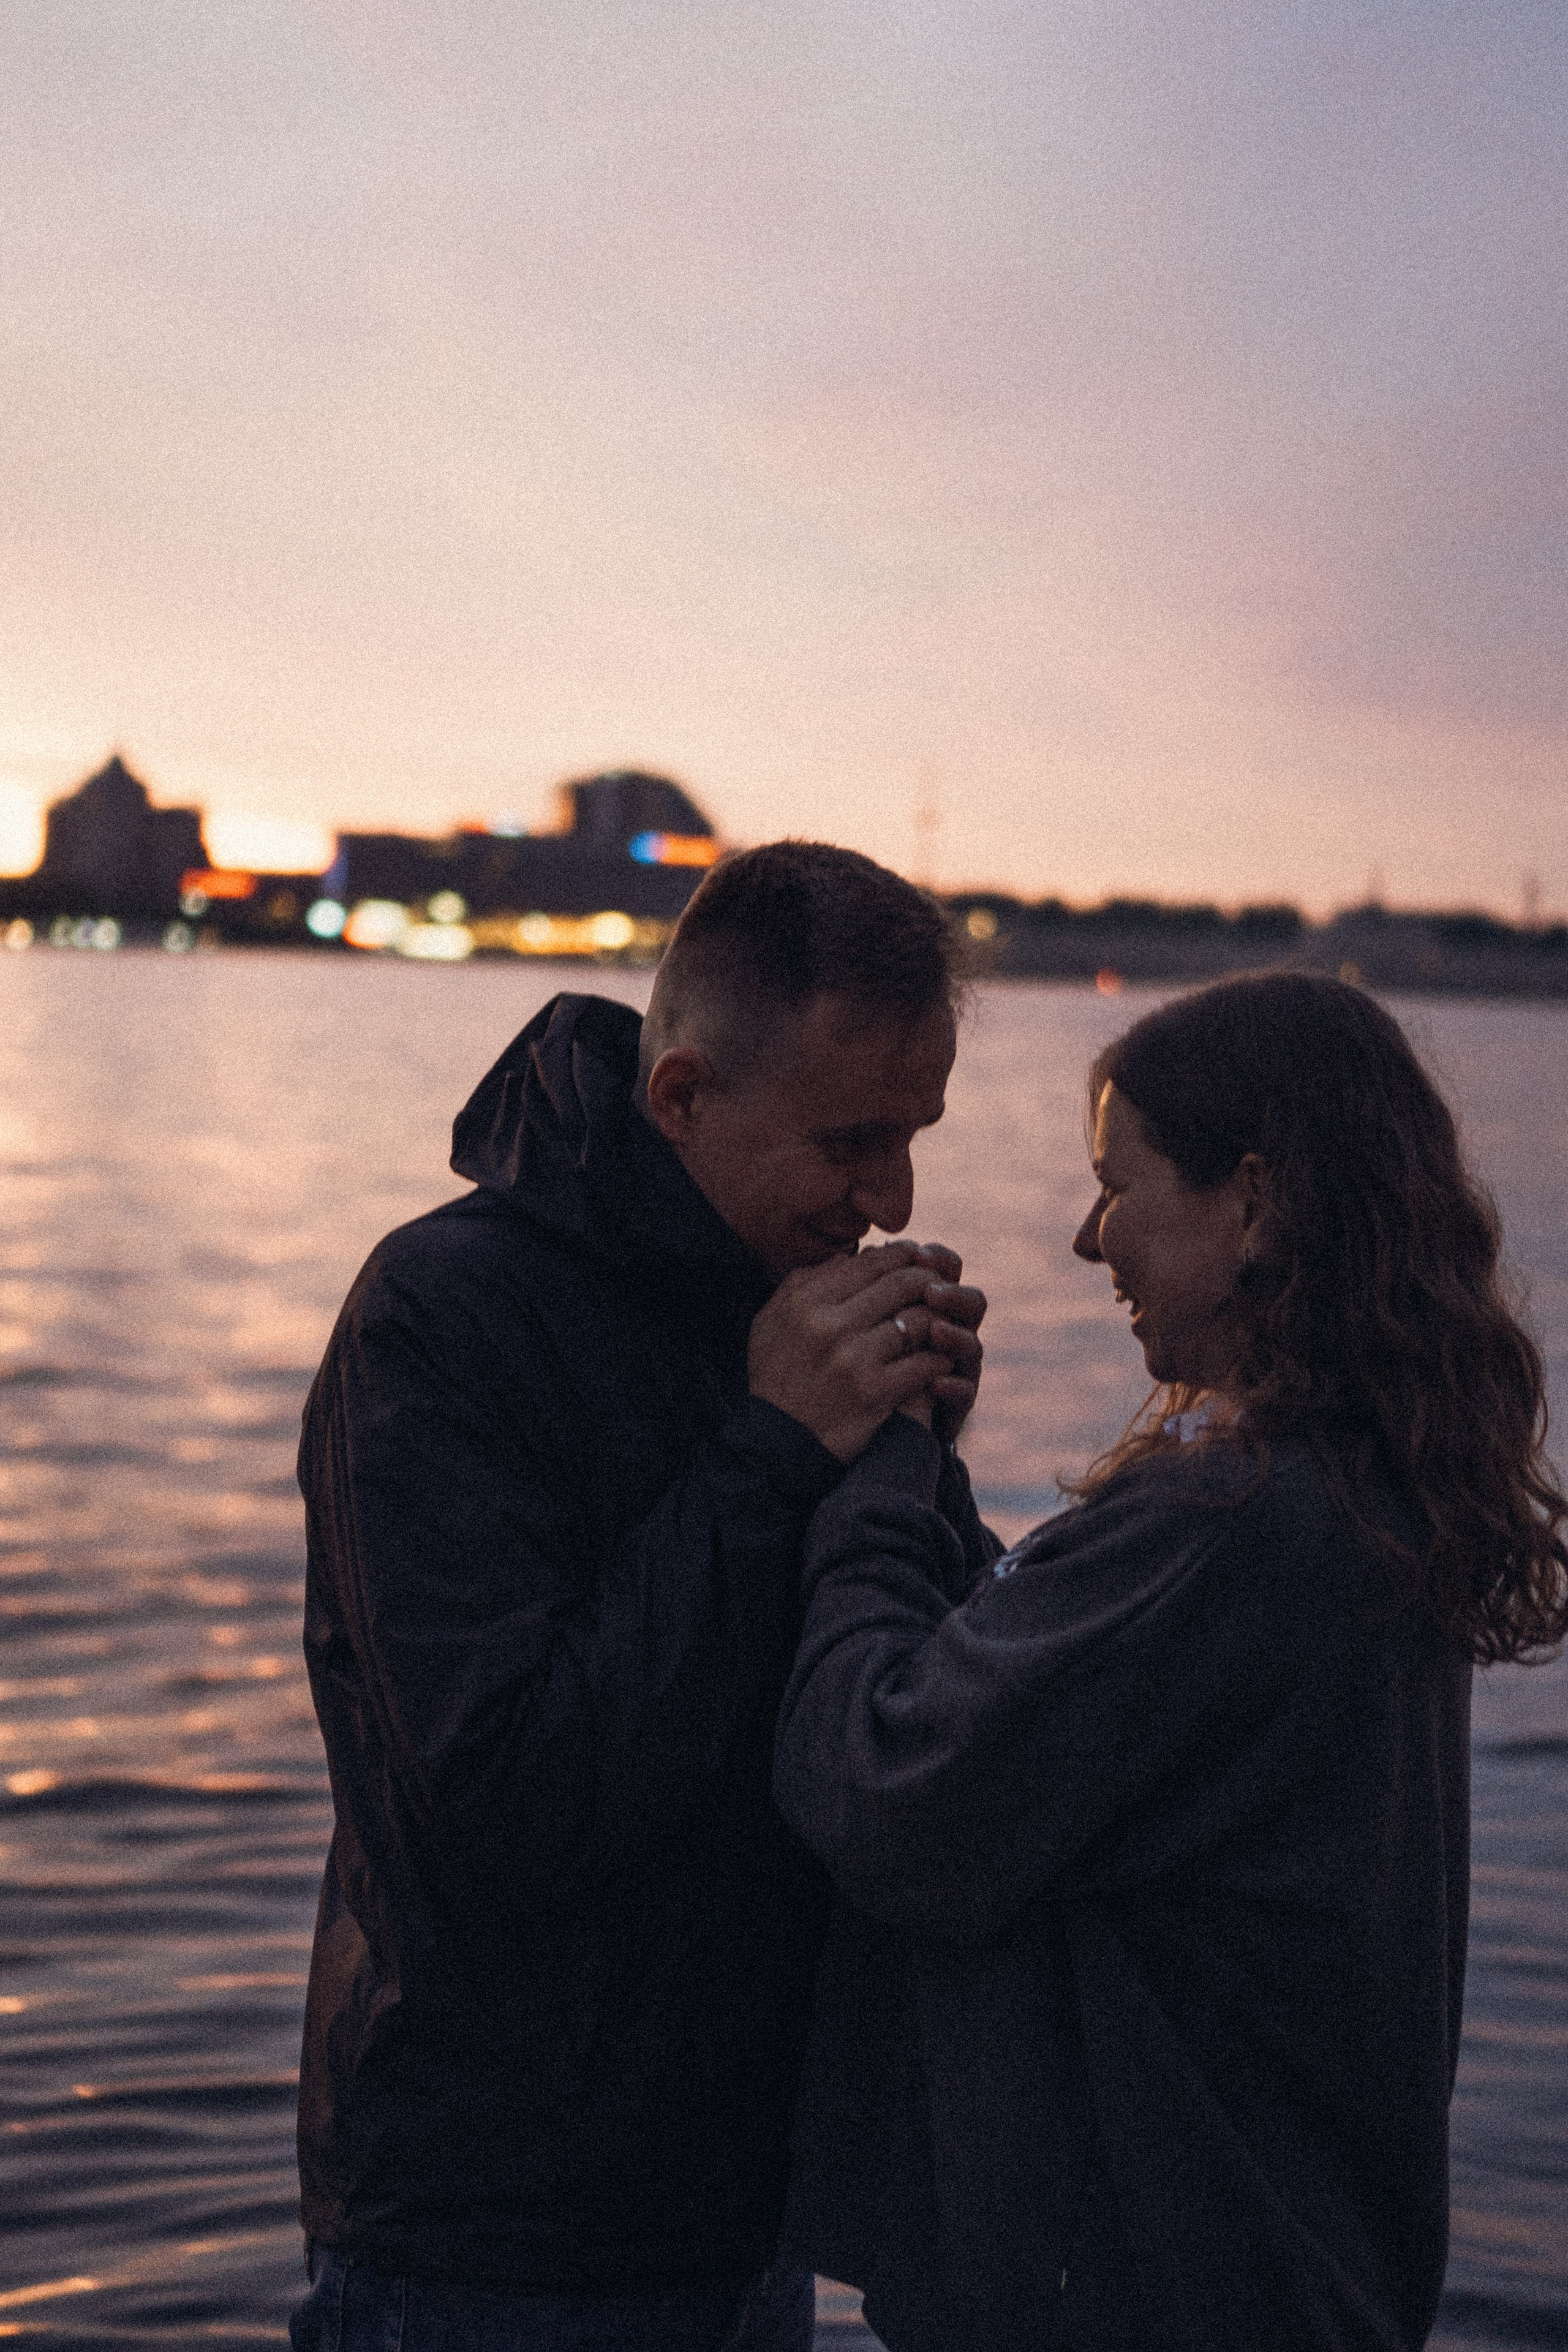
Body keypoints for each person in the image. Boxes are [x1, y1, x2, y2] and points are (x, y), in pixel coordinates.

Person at [772, 971, 1568, 2352]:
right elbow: (1050, 1710)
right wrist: (923, 1494)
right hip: (1275, 2275)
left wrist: (860, 1464)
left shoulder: (1230, 1526)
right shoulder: (1349, 1492)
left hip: (1147, 2295)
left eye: (1116, 1185)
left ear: (1252, 1202)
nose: (1090, 1239)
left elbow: (887, 1783)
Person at [288, 842, 993, 2352]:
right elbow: (501, 1805)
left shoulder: (792, 1303)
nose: (891, 1198)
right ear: (680, 1101)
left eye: (915, 1135)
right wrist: (772, 1449)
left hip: (754, 2222)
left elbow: (908, 1736)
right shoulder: (439, 1317)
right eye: (852, 1141)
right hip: (490, 2250)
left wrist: (920, 1472)